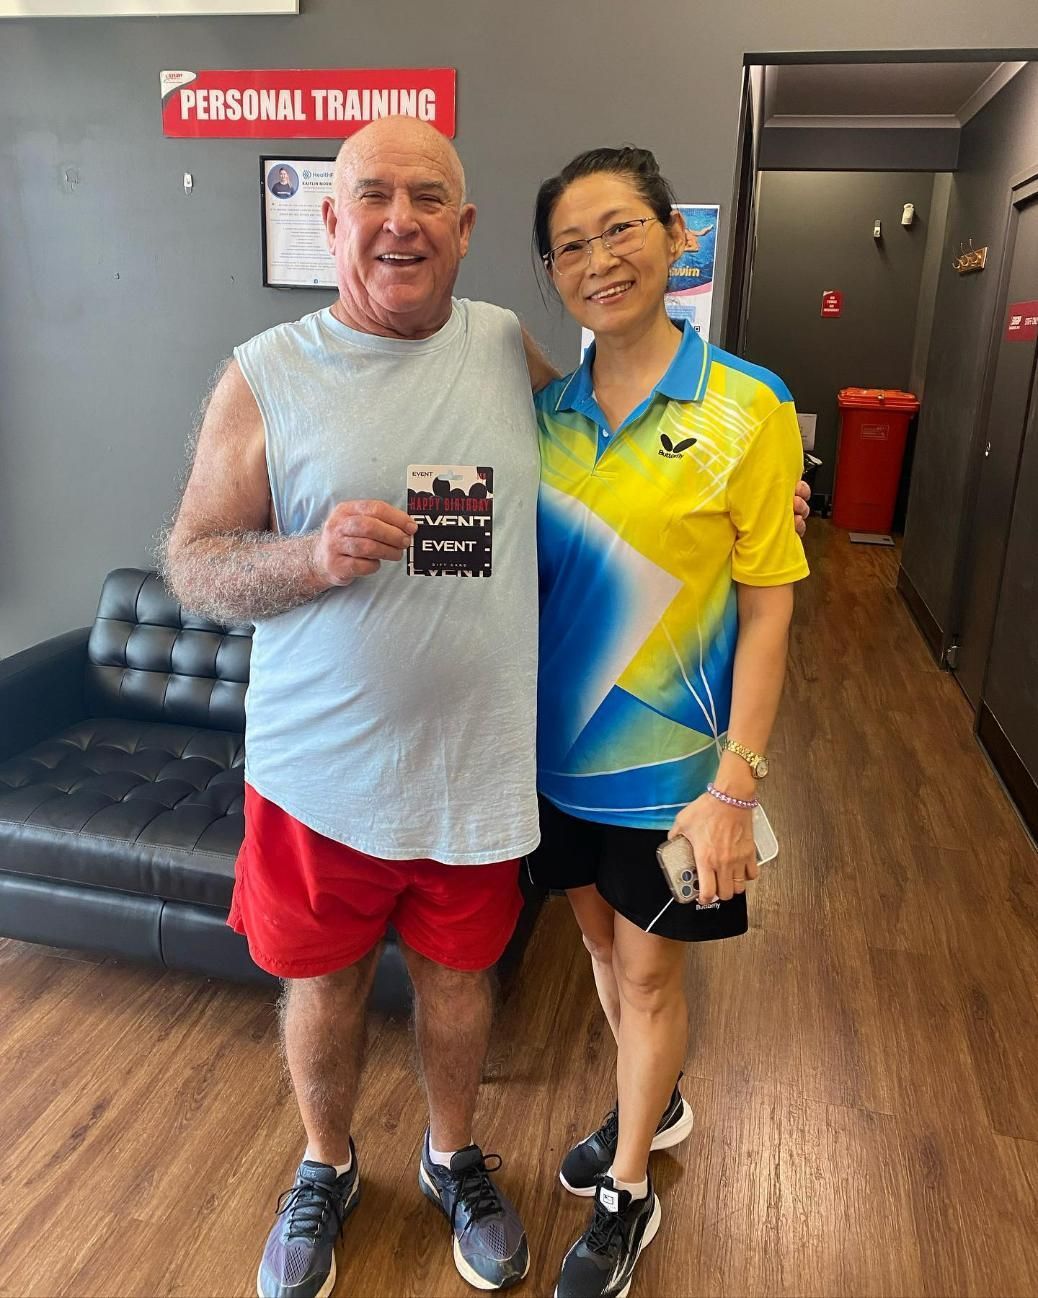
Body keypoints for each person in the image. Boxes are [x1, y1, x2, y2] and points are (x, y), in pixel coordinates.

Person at [164, 116, 546, 1298]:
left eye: (428, 197)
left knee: (458, 980)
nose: (399, 219)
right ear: (330, 222)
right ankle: (325, 1161)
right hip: (317, 776)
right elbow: (193, 562)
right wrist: (308, 559)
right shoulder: (266, 370)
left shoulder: (506, 346)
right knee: (321, 983)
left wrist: (747, 494)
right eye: (371, 196)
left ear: (466, 227)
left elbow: (620, 462)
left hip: (475, 769)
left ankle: (449, 1153)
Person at [528, 146, 810, 1298]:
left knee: (648, 984)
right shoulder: (539, 414)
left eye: (622, 229)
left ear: (675, 238)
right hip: (556, 768)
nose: (601, 259)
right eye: (573, 245)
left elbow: (771, 606)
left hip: (675, 783)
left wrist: (736, 785)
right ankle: (658, 1098)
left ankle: (630, 1187)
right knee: (601, 953)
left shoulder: (751, 405)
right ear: (551, 272)